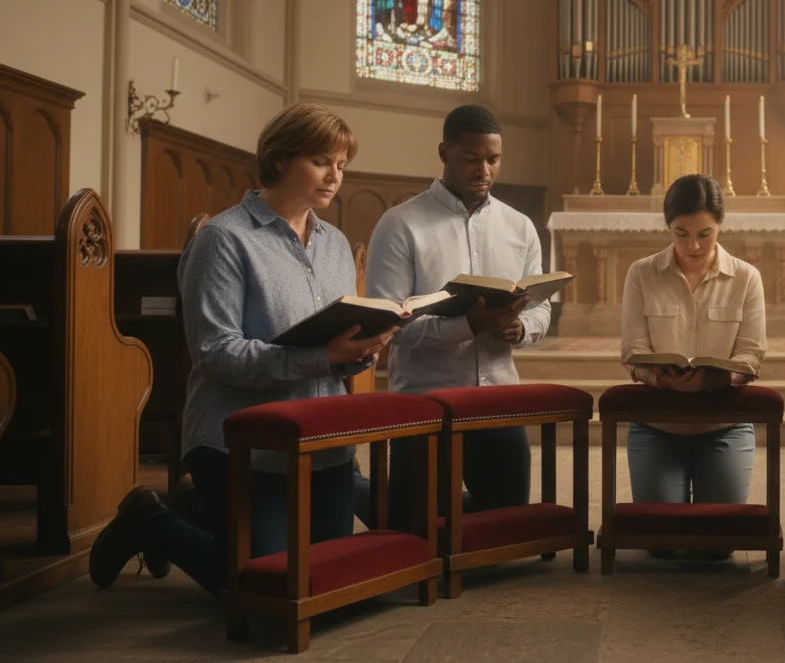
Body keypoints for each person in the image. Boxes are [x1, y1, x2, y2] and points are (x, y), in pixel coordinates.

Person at [88, 103, 394, 595]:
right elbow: (216, 352)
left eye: (342, 165)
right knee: (268, 589)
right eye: (321, 161)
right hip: (239, 441)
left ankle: (202, 513)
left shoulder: (335, 243)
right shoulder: (224, 239)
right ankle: (148, 521)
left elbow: (332, 344)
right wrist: (327, 357)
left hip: (321, 440)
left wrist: (362, 350)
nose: (335, 176)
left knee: (331, 577)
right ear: (278, 160)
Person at [364, 104, 547, 528]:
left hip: (498, 397)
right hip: (427, 399)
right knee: (420, 534)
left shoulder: (519, 226)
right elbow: (390, 325)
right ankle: (375, 497)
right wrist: (469, 326)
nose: (483, 169)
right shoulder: (400, 224)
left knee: (504, 530)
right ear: (444, 152)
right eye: (470, 158)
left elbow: (541, 303)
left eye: (493, 159)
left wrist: (522, 327)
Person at [620, 174, 766, 557]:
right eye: (681, 233)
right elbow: (633, 349)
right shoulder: (641, 273)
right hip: (658, 423)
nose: (694, 245)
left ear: (720, 224)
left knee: (716, 547)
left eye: (705, 233)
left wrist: (717, 379)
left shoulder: (747, 277)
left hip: (724, 423)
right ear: (667, 226)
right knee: (661, 544)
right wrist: (658, 378)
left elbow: (751, 355)